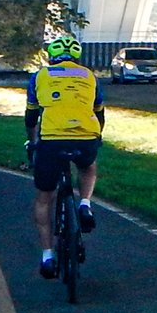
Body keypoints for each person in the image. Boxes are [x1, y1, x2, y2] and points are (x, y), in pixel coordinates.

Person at [26, 35, 104, 279]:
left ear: (52, 56)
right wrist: (96, 135)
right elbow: (99, 114)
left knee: (44, 199)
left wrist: (33, 141)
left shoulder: (40, 76)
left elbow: (31, 117)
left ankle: (47, 256)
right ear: (76, 57)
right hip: (86, 135)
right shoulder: (89, 76)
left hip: (52, 139)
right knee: (88, 167)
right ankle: (85, 204)